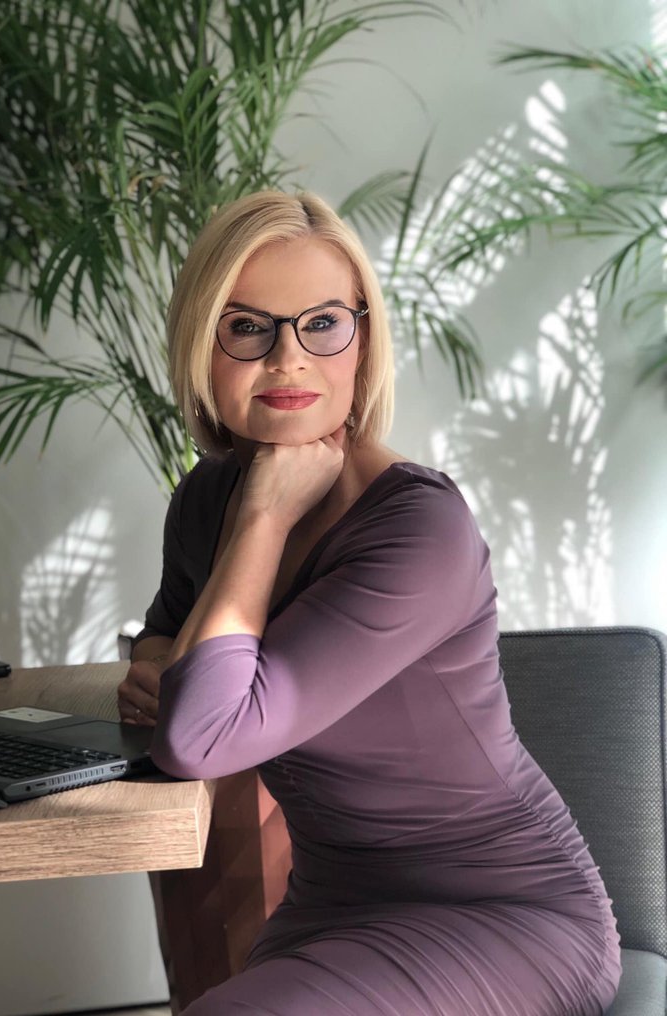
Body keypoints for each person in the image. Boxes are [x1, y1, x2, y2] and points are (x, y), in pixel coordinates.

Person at [117, 190, 621, 1015]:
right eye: (247, 327)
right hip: (335, 908)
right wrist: (178, 650)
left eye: (322, 323)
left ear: (362, 340)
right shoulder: (209, 501)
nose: (288, 359)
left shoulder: (419, 525)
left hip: (506, 916)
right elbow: (161, 645)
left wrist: (267, 516)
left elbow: (198, 733)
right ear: (201, 346)